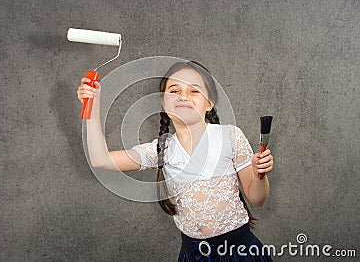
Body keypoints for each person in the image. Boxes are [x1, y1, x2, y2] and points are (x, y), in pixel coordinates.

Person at [77, 61, 274, 261]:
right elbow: (100, 159)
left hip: (238, 253)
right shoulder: (161, 149)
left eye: (194, 91)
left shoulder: (230, 136)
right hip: (193, 255)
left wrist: (260, 175)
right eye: (174, 90)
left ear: (209, 103)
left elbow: (258, 199)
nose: (183, 96)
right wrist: (93, 108)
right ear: (163, 102)